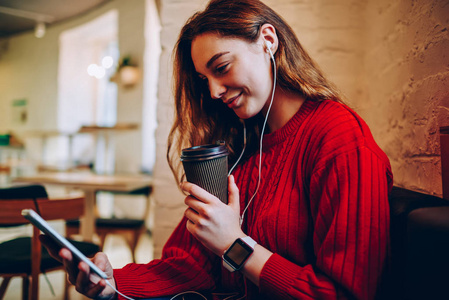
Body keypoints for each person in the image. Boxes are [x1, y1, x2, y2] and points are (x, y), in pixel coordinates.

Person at [42, 0, 393, 299]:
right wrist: (113, 281)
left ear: (267, 40)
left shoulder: (341, 140)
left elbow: (343, 293)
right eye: (204, 79)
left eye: (221, 68)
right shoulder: (241, 146)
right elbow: (194, 263)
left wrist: (235, 245)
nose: (213, 92)